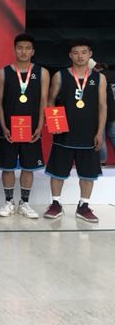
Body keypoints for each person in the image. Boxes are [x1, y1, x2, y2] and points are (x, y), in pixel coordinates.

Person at [44, 39, 106, 223]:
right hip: (64, 133)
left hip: (89, 134)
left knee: (88, 174)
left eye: (84, 52)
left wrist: (100, 132)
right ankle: (55, 204)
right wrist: (53, 123)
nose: (80, 56)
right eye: (76, 53)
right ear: (70, 55)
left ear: (90, 54)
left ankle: (83, 206)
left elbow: (102, 106)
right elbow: (50, 100)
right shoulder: (60, 76)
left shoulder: (99, 78)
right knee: (57, 172)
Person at [0, 34, 48, 218]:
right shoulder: (3, 73)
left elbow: (43, 101)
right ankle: (8, 201)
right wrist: (3, 125)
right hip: (9, 129)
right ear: (14, 50)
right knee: (7, 167)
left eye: (27, 48)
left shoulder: (42, 73)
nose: (23, 51)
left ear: (33, 51)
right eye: (20, 48)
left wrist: (40, 125)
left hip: (31, 129)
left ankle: (24, 203)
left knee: (28, 167)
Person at [93, 62, 115, 166]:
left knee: (100, 136)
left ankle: (102, 162)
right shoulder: (109, 76)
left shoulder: (97, 78)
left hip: (100, 113)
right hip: (112, 112)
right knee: (113, 135)